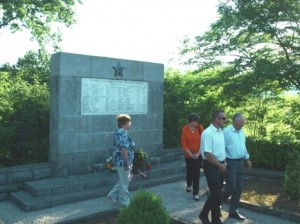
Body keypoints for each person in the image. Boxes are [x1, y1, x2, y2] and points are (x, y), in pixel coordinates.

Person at [221, 113, 252, 220]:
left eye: (244, 122)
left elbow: (243, 147)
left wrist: (247, 159)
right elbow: (221, 148)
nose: (243, 124)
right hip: (230, 162)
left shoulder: (242, 132)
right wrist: (222, 163)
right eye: (241, 122)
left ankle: (233, 211)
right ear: (235, 121)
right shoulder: (226, 132)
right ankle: (216, 203)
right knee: (231, 187)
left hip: (240, 163)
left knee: (238, 189)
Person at [199, 110, 227, 224]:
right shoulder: (208, 133)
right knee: (216, 193)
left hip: (219, 165)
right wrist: (220, 164)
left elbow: (221, 150)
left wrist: (223, 163)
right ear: (217, 119)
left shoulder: (220, 132)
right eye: (223, 118)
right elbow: (207, 154)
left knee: (218, 193)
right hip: (211, 165)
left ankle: (216, 219)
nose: (225, 120)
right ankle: (203, 215)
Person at [107, 114, 135, 207]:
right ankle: (124, 201)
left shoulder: (120, 132)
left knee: (123, 180)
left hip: (120, 161)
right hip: (122, 162)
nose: (130, 124)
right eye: (129, 123)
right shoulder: (122, 132)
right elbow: (123, 149)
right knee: (124, 182)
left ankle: (113, 194)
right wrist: (127, 163)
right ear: (125, 123)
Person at [181, 112, 204, 201]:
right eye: (195, 122)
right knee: (189, 171)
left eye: (197, 122)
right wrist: (191, 155)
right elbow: (184, 144)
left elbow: (203, 141)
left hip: (198, 154)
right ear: (191, 122)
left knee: (197, 173)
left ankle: (195, 193)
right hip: (188, 155)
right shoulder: (185, 129)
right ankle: (189, 185)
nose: (196, 123)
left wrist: (198, 153)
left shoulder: (200, 128)